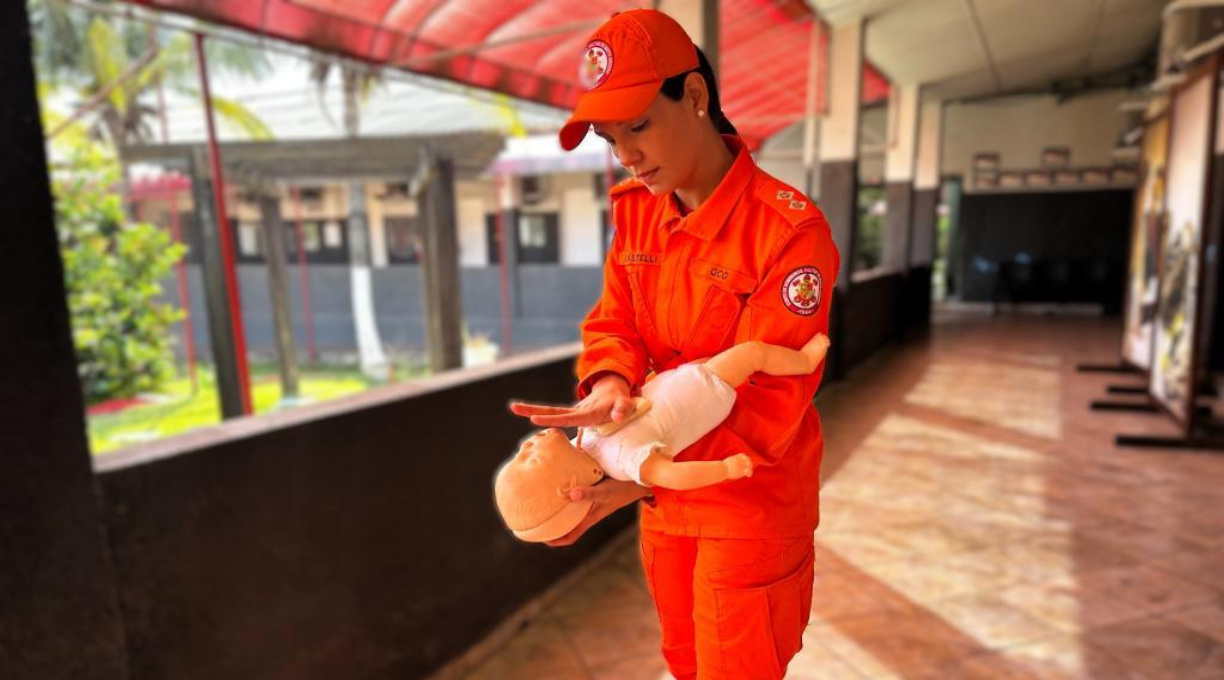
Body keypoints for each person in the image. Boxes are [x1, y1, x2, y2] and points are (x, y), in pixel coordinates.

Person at [509, 8, 840, 680]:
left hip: (747, 499)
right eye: (610, 137)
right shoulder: (637, 214)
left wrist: (624, 482)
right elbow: (615, 323)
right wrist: (609, 385)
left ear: (694, 97)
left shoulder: (786, 233)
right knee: (685, 662)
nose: (625, 154)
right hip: (664, 498)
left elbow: (767, 401)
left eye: (638, 126)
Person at [496, 332, 831, 543]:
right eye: (532, 459)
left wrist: (610, 385)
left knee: (744, 353)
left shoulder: (585, 440)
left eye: (519, 453)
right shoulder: (625, 461)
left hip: (682, 375)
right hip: (707, 388)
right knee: (754, 353)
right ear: (571, 484)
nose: (526, 446)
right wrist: (724, 469)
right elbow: (670, 475)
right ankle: (804, 361)